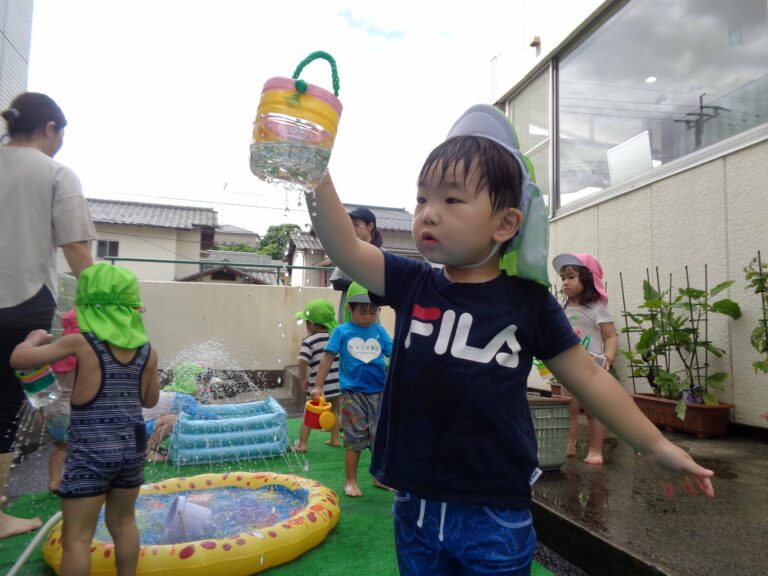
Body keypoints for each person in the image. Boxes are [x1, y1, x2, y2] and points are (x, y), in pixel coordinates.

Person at [305, 103, 715, 574]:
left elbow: (589, 380)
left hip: (494, 511)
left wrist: (653, 444)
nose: (428, 214)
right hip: (415, 503)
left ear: (505, 223)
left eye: (451, 200)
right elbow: (344, 246)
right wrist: (314, 171)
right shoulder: (411, 282)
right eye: (421, 199)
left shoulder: (528, 303)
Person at [10, 264, 159, 576]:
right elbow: (150, 400)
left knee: (77, 538)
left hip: (92, 451)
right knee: (124, 522)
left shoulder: (81, 343)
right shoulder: (147, 351)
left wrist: (32, 340)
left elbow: (19, 359)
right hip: (132, 448)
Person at [0, 92, 96, 539]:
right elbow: (75, 245)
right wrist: (104, 301)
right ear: (51, 128)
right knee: (4, 406)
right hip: (23, 302)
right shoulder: (55, 172)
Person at [312, 283, 392, 497]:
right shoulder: (342, 331)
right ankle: (351, 480)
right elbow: (327, 358)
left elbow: (393, 353)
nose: (368, 317)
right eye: (362, 312)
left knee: (379, 438)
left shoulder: (378, 331)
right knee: (355, 438)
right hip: (352, 393)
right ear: (350, 307)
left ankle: (378, 477)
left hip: (379, 392)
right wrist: (318, 386)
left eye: (373, 312)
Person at [554, 252, 618, 465]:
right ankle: (568, 446)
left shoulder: (597, 308)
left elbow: (610, 336)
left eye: (571, 277)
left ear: (589, 279)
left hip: (593, 368)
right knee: (569, 408)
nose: (565, 282)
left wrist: (608, 357)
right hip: (569, 367)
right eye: (563, 278)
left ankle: (596, 450)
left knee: (594, 411)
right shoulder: (562, 309)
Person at [292, 298, 341, 453]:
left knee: (309, 414)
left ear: (312, 324)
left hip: (318, 388)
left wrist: (303, 378)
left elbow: (302, 361)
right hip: (337, 385)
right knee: (334, 411)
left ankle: (303, 444)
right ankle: (334, 440)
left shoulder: (309, 341)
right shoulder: (335, 338)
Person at [329, 207, 384, 322]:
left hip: (372, 323)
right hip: (348, 321)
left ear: (370, 226)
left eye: (356, 224)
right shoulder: (348, 253)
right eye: (350, 225)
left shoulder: (382, 255)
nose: (352, 229)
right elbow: (336, 283)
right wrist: (361, 286)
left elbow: (387, 286)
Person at [45, 309, 80, 492]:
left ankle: (54, 481)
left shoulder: (55, 352)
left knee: (60, 448)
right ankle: (74, 480)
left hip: (53, 411)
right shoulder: (83, 355)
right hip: (73, 411)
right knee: (79, 447)